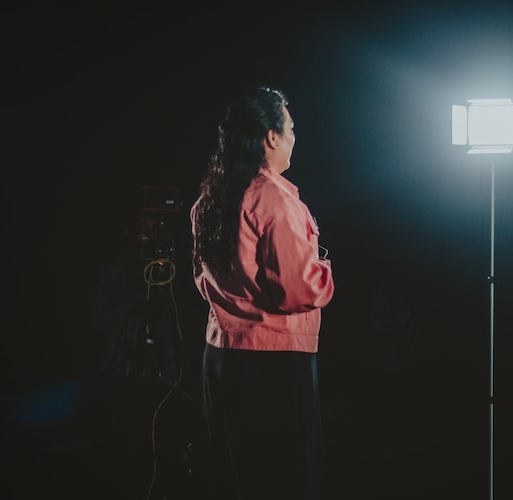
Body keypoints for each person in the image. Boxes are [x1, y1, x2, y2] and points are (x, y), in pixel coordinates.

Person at [190, 85, 335, 500]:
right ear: (271, 136)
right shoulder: (274, 199)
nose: (293, 137)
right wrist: (324, 270)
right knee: (284, 476)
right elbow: (297, 291)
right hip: (275, 362)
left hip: (221, 357)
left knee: (234, 474)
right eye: (290, 128)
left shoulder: (211, 198)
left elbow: (204, 282)